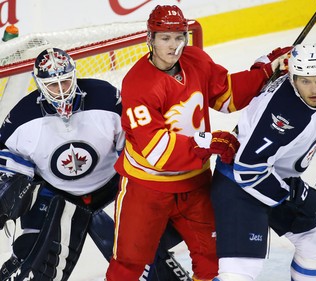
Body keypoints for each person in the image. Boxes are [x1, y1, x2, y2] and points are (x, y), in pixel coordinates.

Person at [106, 4, 293, 281]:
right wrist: (207, 143)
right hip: (147, 188)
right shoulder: (138, 84)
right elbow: (158, 151)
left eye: (179, 37)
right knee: (129, 267)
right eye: (165, 38)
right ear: (150, 39)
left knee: (214, 261)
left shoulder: (195, 59)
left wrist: (266, 71)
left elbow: (226, 95)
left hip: (195, 183)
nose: (174, 46)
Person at [0, 47, 192, 281]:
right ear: (39, 84)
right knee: (34, 265)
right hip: (55, 194)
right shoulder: (21, 118)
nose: (61, 92)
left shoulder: (106, 98)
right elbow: (7, 164)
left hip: (112, 188)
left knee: (140, 251)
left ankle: (166, 271)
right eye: (52, 85)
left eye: (65, 82)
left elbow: (136, 148)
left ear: (74, 76)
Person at [210, 43, 316, 281]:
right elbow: (248, 170)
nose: (314, 88)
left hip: (275, 177)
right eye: (305, 81)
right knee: (241, 273)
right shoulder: (281, 114)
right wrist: (295, 195)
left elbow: (315, 115)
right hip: (238, 184)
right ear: (292, 78)